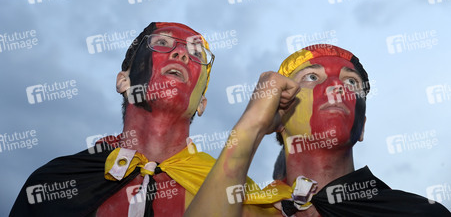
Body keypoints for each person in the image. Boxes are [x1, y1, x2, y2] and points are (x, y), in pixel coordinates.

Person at [184, 44, 451, 216]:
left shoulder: (415, 213)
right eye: (312, 77)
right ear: (278, 117)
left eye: (351, 82)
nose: (336, 87)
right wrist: (251, 124)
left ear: (362, 127)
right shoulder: (245, 210)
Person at [10, 22, 217, 217]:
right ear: (123, 81)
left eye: (196, 53)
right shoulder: (52, 186)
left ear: (202, 103)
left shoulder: (232, 193)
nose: (181, 53)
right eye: (162, 43)